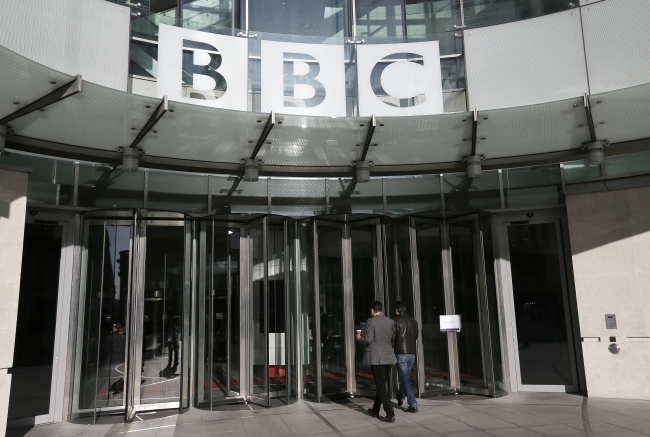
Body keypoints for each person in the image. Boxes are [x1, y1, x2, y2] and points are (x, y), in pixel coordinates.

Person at [356, 300, 396, 423]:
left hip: (377, 358)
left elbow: (368, 339)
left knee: (381, 386)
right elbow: (393, 338)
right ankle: (375, 410)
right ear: (381, 310)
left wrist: (359, 338)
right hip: (388, 356)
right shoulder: (390, 321)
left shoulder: (371, 321)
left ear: (372, 310)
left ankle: (390, 413)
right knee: (382, 384)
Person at [393, 301, 419, 413]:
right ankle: (401, 397)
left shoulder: (395, 321)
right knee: (405, 377)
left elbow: (392, 338)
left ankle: (413, 404)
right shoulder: (413, 322)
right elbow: (416, 336)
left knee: (405, 379)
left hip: (400, 353)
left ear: (396, 310)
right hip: (411, 353)